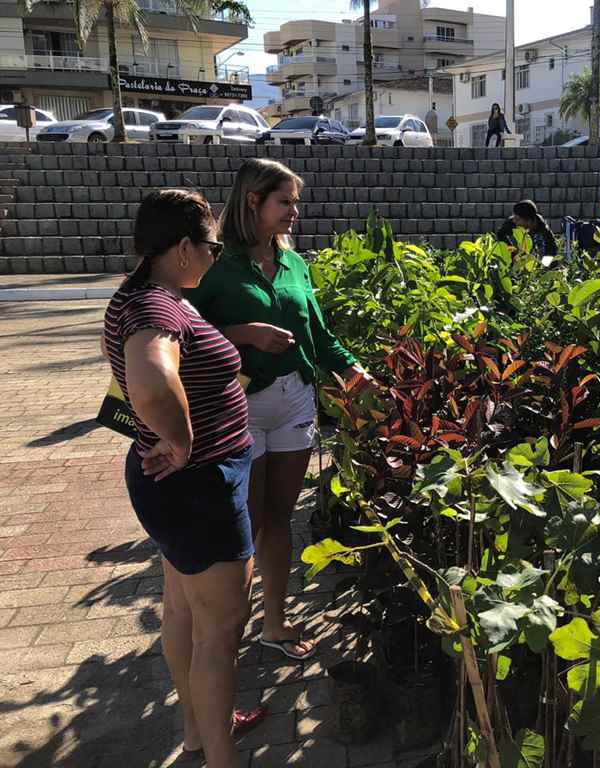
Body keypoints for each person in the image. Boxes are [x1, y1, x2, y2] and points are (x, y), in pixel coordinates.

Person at [186, 159, 376, 661]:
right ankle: (229, 631)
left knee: (280, 517)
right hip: (238, 407)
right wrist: (244, 334)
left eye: (295, 200)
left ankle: (275, 621)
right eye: (284, 201)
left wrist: (358, 374)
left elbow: (321, 334)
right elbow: (182, 336)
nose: (295, 210)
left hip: (295, 400)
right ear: (253, 201)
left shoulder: (295, 265)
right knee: (242, 522)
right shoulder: (214, 267)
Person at [103, 189, 265, 767]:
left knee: (181, 608)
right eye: (211, 246)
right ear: (181, 249)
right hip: (200, 487)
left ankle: (197, 731)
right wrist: (185, 441)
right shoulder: (159, 310)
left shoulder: (136, 296)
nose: (215, 256)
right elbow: (149, 379)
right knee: (219, 636)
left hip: (175, 488)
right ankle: (220, 758)